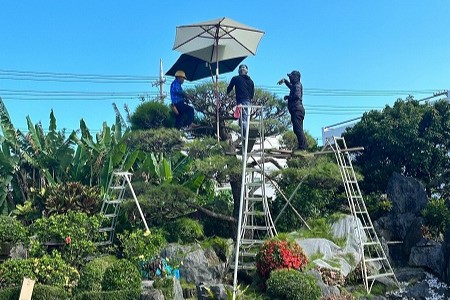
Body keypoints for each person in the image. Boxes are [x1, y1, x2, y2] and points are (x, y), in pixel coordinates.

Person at [277, 70, 308, 150]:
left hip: (297, 110)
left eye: (291, 77)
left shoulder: (297, 86)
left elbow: (297, 96)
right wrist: (285, 81)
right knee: (297, 129)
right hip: (295, 110)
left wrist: (288, 97)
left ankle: (303, 146)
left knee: (298, 129)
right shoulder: (295, 85)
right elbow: (291, 86)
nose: (290, 78)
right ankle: (302, 146)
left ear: (295, 77)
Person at [226, 64, 255, 139]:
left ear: (239, 71)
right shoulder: (251, 81)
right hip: (248, 102)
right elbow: (252, 95)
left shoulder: (236, 78)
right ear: (246, 71)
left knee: (243, 121)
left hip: (241, 102)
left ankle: (245, 137)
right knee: (243, 120)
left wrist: (226, 92)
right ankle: (245, 136)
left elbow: (229, 89)